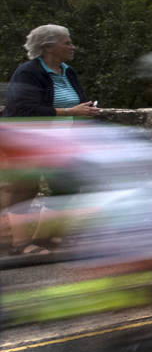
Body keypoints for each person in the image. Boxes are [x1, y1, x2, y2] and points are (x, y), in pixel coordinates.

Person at [2, 25, 101, 257]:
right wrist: (70, 111)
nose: (72, 46)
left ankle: (43, 237)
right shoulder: (28, 71)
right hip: (24, 139)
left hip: (56, 142)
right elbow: (26, 110)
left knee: (65, 187)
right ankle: (20, 245)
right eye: (67, 43)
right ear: (48, 47)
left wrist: (86, 112)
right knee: (24, 189)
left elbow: (79, 104)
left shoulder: (68, 71)